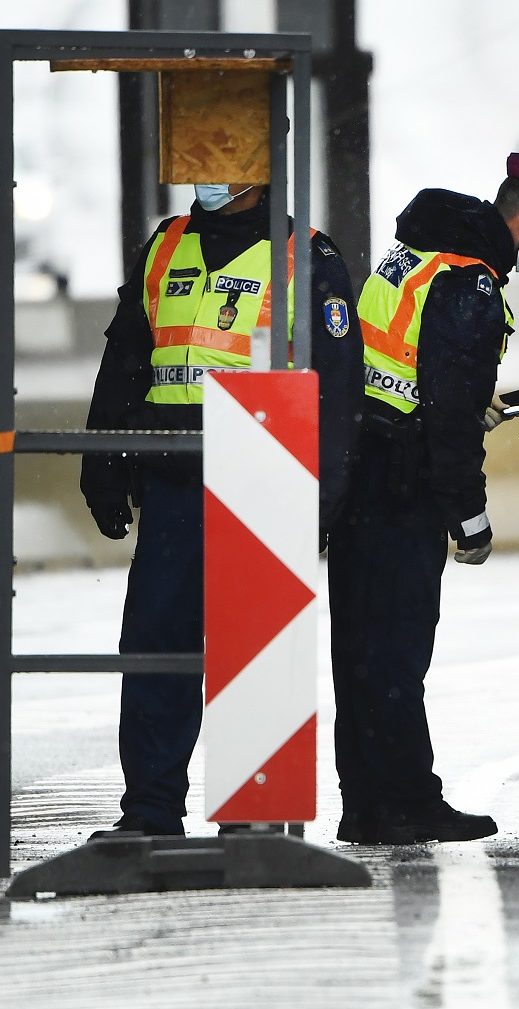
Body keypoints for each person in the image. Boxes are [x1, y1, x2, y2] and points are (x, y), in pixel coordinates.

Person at [80, 180, 361, 838]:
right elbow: (126, 357)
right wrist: (103, 460)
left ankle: (252, 816)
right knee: (157, 645)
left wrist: (325, 494)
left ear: (259, 165)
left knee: (254, 651)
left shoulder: (307, 257)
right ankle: (149, 810)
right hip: (174, 483)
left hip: (263, 484)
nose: (203, 172)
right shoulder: (166, 244)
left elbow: (338, 387)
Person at [331, 154, 519, 845]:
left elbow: (406, 373)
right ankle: (408, 802)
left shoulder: (415, 255)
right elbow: (446, 415)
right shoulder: (470, 284)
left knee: (360, 649)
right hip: (402, 482)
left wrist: (456, 403)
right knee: (397, 652)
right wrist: (469, 519)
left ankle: (366, 802)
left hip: (362, 472)